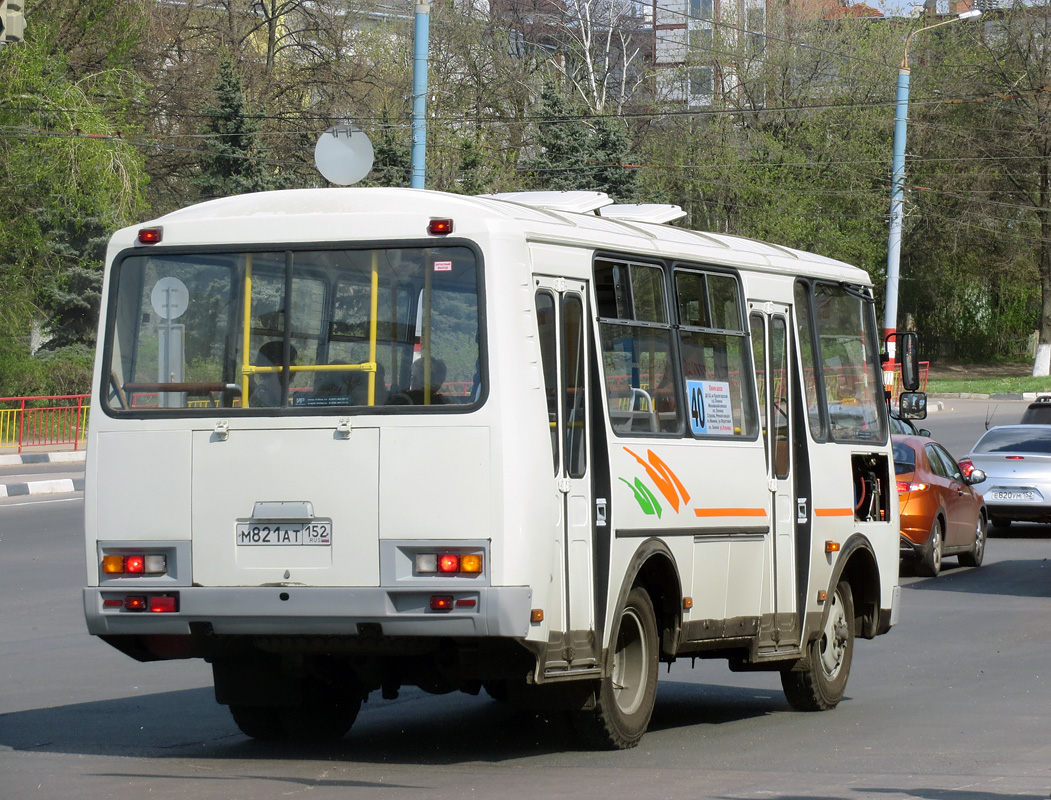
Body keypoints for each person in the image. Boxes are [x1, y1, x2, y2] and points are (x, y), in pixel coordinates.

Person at [250, 341, 297, 407]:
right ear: (278, 367)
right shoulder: (263, 396)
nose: (297, 368)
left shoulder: (275, 393)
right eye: (293, 364)